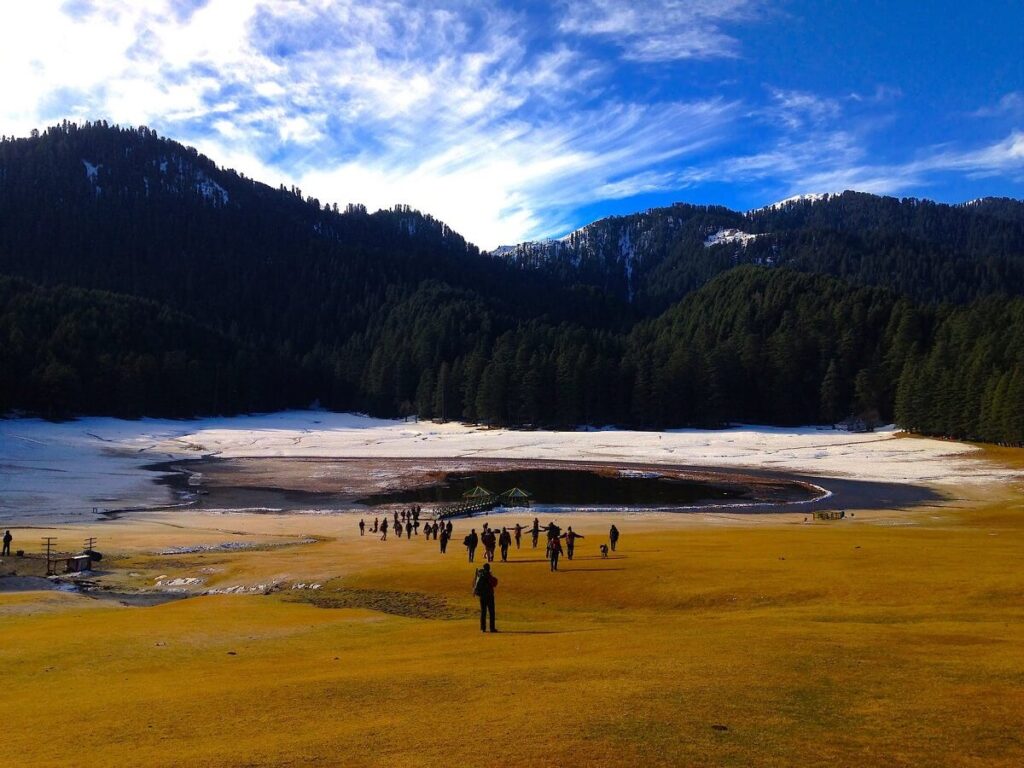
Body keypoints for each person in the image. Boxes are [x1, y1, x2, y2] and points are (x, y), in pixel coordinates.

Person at [472, 562, 497, 633]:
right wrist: (491, 575)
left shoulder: (480, 575)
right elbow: (495, 583)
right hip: (489, 596)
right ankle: (492, 628)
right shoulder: (488, 575)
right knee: (491, 612)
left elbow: (475, 584)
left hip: (482, 596)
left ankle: (483, 628)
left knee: (483, 612)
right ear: (489, 568)